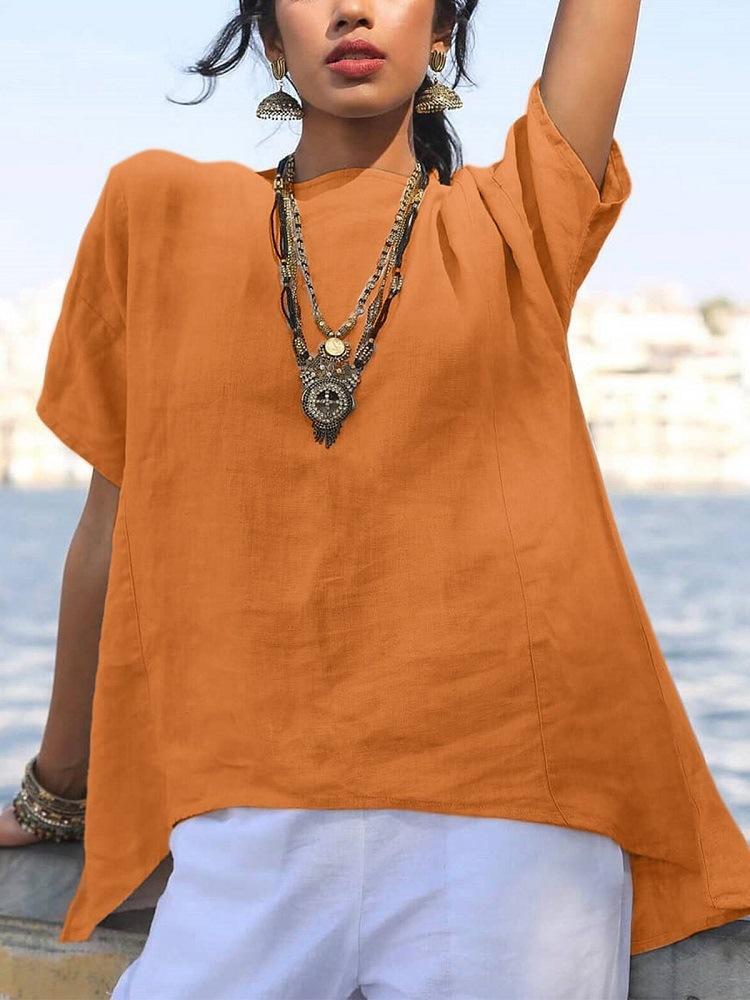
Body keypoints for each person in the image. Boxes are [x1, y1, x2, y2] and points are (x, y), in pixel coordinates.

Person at [3, 0, 750, 998]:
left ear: (441, 31)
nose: (352, 8)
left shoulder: (516, 218)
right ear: (271, 37)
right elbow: (109, 532)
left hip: (515, 838)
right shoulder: (157, 210)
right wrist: (60, 790)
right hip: (245, 820)